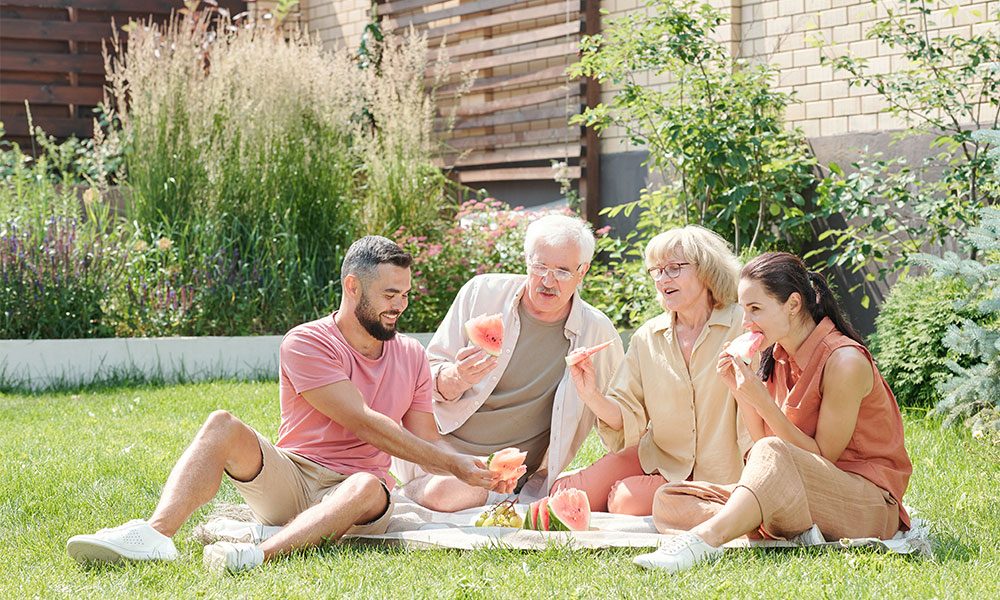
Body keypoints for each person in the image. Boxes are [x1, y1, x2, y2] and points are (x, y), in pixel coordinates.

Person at [66, 236, 499, 573]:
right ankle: (155, 535)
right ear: (352, 286)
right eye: (389, 295)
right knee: (222, 424)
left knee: (368, 483)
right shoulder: (307, 342)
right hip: (293, 477)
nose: (399, 306)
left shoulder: (412, 354)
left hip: (357, 494)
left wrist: (473, 465)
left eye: (405, 295)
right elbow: (361, 422)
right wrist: (457, 466)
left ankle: (259, 555)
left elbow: (426, 437)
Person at [633, 252, 913, 572]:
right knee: (670, 500)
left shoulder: (844, 363)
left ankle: (706, 539)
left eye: (755, 309)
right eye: (744, 309)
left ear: (793, 305)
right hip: (800, 493)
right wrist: (742, 391)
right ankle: (793, 531)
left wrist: (761, 399)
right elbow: (764, 448)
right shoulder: (776, 353)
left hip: (866, 503)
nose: (746, 322)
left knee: (766, 456)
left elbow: (822, 457)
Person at [393, 214, 623, 511]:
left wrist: (593, 397)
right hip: (440, 451)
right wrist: (458, 377)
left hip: (510, 476)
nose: (548, 281)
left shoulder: (597, 332)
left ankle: (461, 496)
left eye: (563, 271)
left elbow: (622, 417)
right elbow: (424, 377)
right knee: (449, 491)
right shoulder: (480, 293)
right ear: (526, 260)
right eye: (539, 266)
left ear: (583, 272)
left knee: (460, 494)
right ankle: (417, 489)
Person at [551, 225, 751, 515]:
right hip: (659, 458)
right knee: (564, 496)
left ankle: (692, 499)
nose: (662, 279)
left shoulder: (742, 324)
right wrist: (591, 393)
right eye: (656, 271)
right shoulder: (648, 337)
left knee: (623, 502)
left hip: (722, 473)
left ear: (707, 269)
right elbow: (626, 416)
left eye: (673, 268)